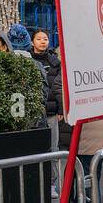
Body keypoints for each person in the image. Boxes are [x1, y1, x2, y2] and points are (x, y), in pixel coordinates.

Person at [30, 28, 64, 158]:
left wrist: (60, 109)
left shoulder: (55, 62)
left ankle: (55, 179)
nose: (42, 42)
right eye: (38, 39)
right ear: (32, 42)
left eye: (45, 39)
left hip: (51, 112)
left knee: (53, 149)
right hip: (34, 111)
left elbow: (59, 87)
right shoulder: (26, 60)